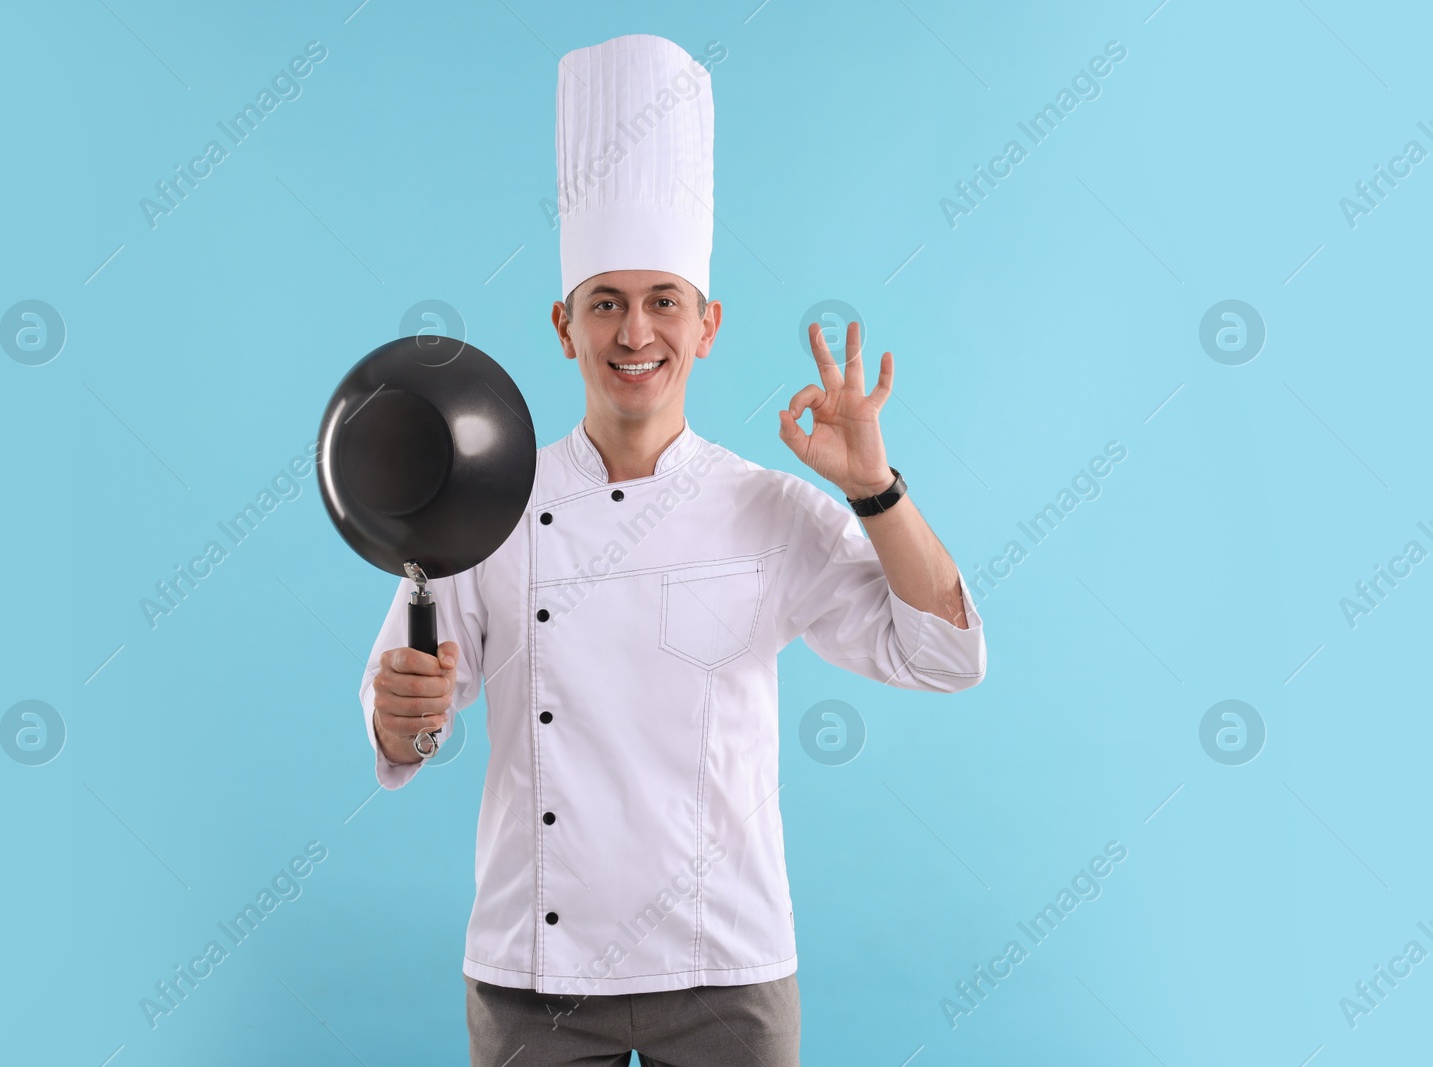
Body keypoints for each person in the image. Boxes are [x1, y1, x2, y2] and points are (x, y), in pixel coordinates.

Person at [360, 34, 987, 1067]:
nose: (633, 329)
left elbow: (944, 654)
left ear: (707, 325)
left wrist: (873, 486)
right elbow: (405, 717)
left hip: (727, 968)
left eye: (663, 301)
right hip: (534, 972)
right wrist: (398, 715)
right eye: (605, 300)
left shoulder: (769, 508)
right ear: (564, 325)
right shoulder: (486, 502)